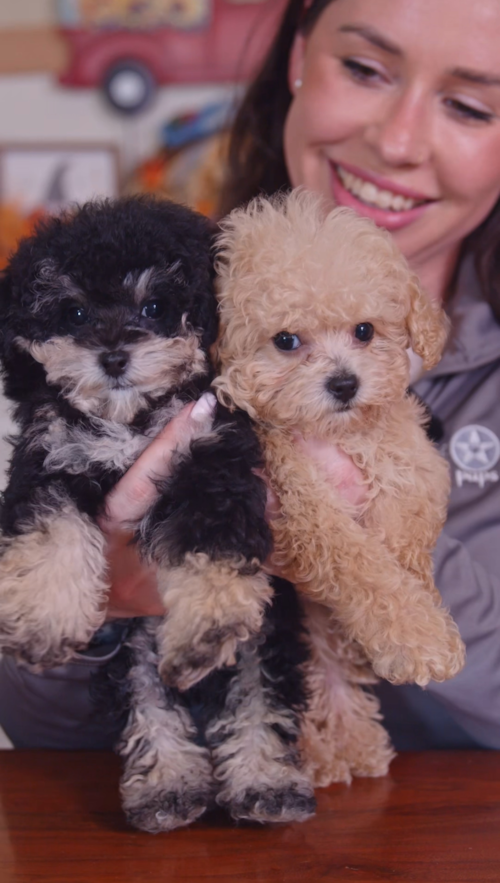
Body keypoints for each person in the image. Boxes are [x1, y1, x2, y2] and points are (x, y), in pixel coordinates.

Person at [1, 0, 499, 752]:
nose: (397, 141)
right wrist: (108, 603)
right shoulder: (161, 313)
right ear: (298, 56)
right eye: (363, 69)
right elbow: (39, 737)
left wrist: (375, 548)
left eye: (469, 106)